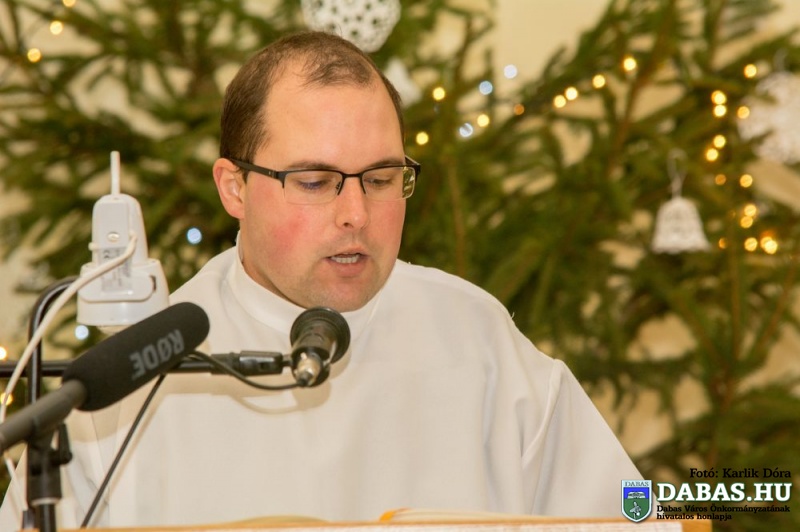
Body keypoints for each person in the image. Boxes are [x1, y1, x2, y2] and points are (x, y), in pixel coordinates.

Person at [0, 30, 643, 529]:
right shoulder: (133, 373)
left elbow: (636, 512)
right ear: (234, 187)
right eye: (314, 182)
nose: (356, 213)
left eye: (381, 178)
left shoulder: (477, 335)